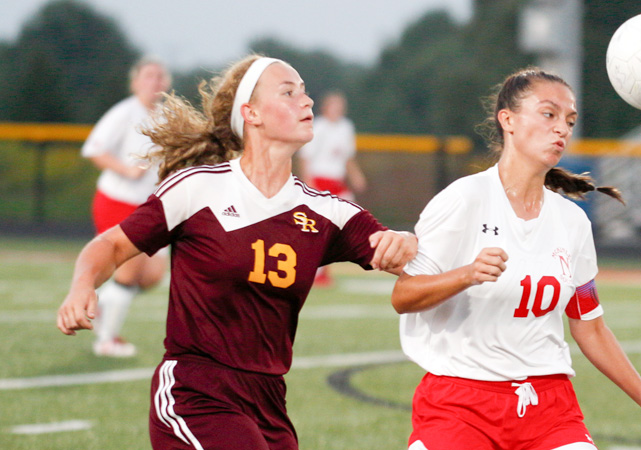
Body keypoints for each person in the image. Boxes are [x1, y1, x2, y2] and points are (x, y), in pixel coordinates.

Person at [57, 55, 417, 450]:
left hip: (269, 402)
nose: (307, 102)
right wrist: (81, 287)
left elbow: (402, 252)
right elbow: (110, 245)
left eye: (306, 92)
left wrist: (406, 241)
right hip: (195, 391)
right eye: (288, 92)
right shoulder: (197, 189)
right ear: (252, 113)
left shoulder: (326, 211)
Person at [391, 67, 641, 450]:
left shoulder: (572, 221)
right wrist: (466, 275)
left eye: (569, 120)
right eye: (548, 114)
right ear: (507, 120)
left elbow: (590, 327)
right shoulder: (464, 199)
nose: (561, 128)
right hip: (460, 403)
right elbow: (403, 296)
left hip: (550, 408)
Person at [80, 56, 172, 357]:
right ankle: (107, 340)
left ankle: (101, 303)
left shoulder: (169, 115)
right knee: (129, 272)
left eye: (160, 76)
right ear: (135, 82)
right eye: (148, 76)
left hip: (151, 205)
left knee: (152, 275)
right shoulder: (124, 112)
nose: (155, 82)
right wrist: (126, 170)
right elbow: (94, 149)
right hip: (117, 201)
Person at [298, 90, 367, 286]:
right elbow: (306, 157)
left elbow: (347, 157)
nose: (337, 109)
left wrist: (356, 176)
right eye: (333, 105)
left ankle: (323, 267)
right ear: (325, 107)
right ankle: (317, 272)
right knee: (322, 228)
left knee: (349, 220)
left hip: (337, 182)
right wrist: (308, 183)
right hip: (320, 180)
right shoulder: (318, 126)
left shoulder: (346, 127)